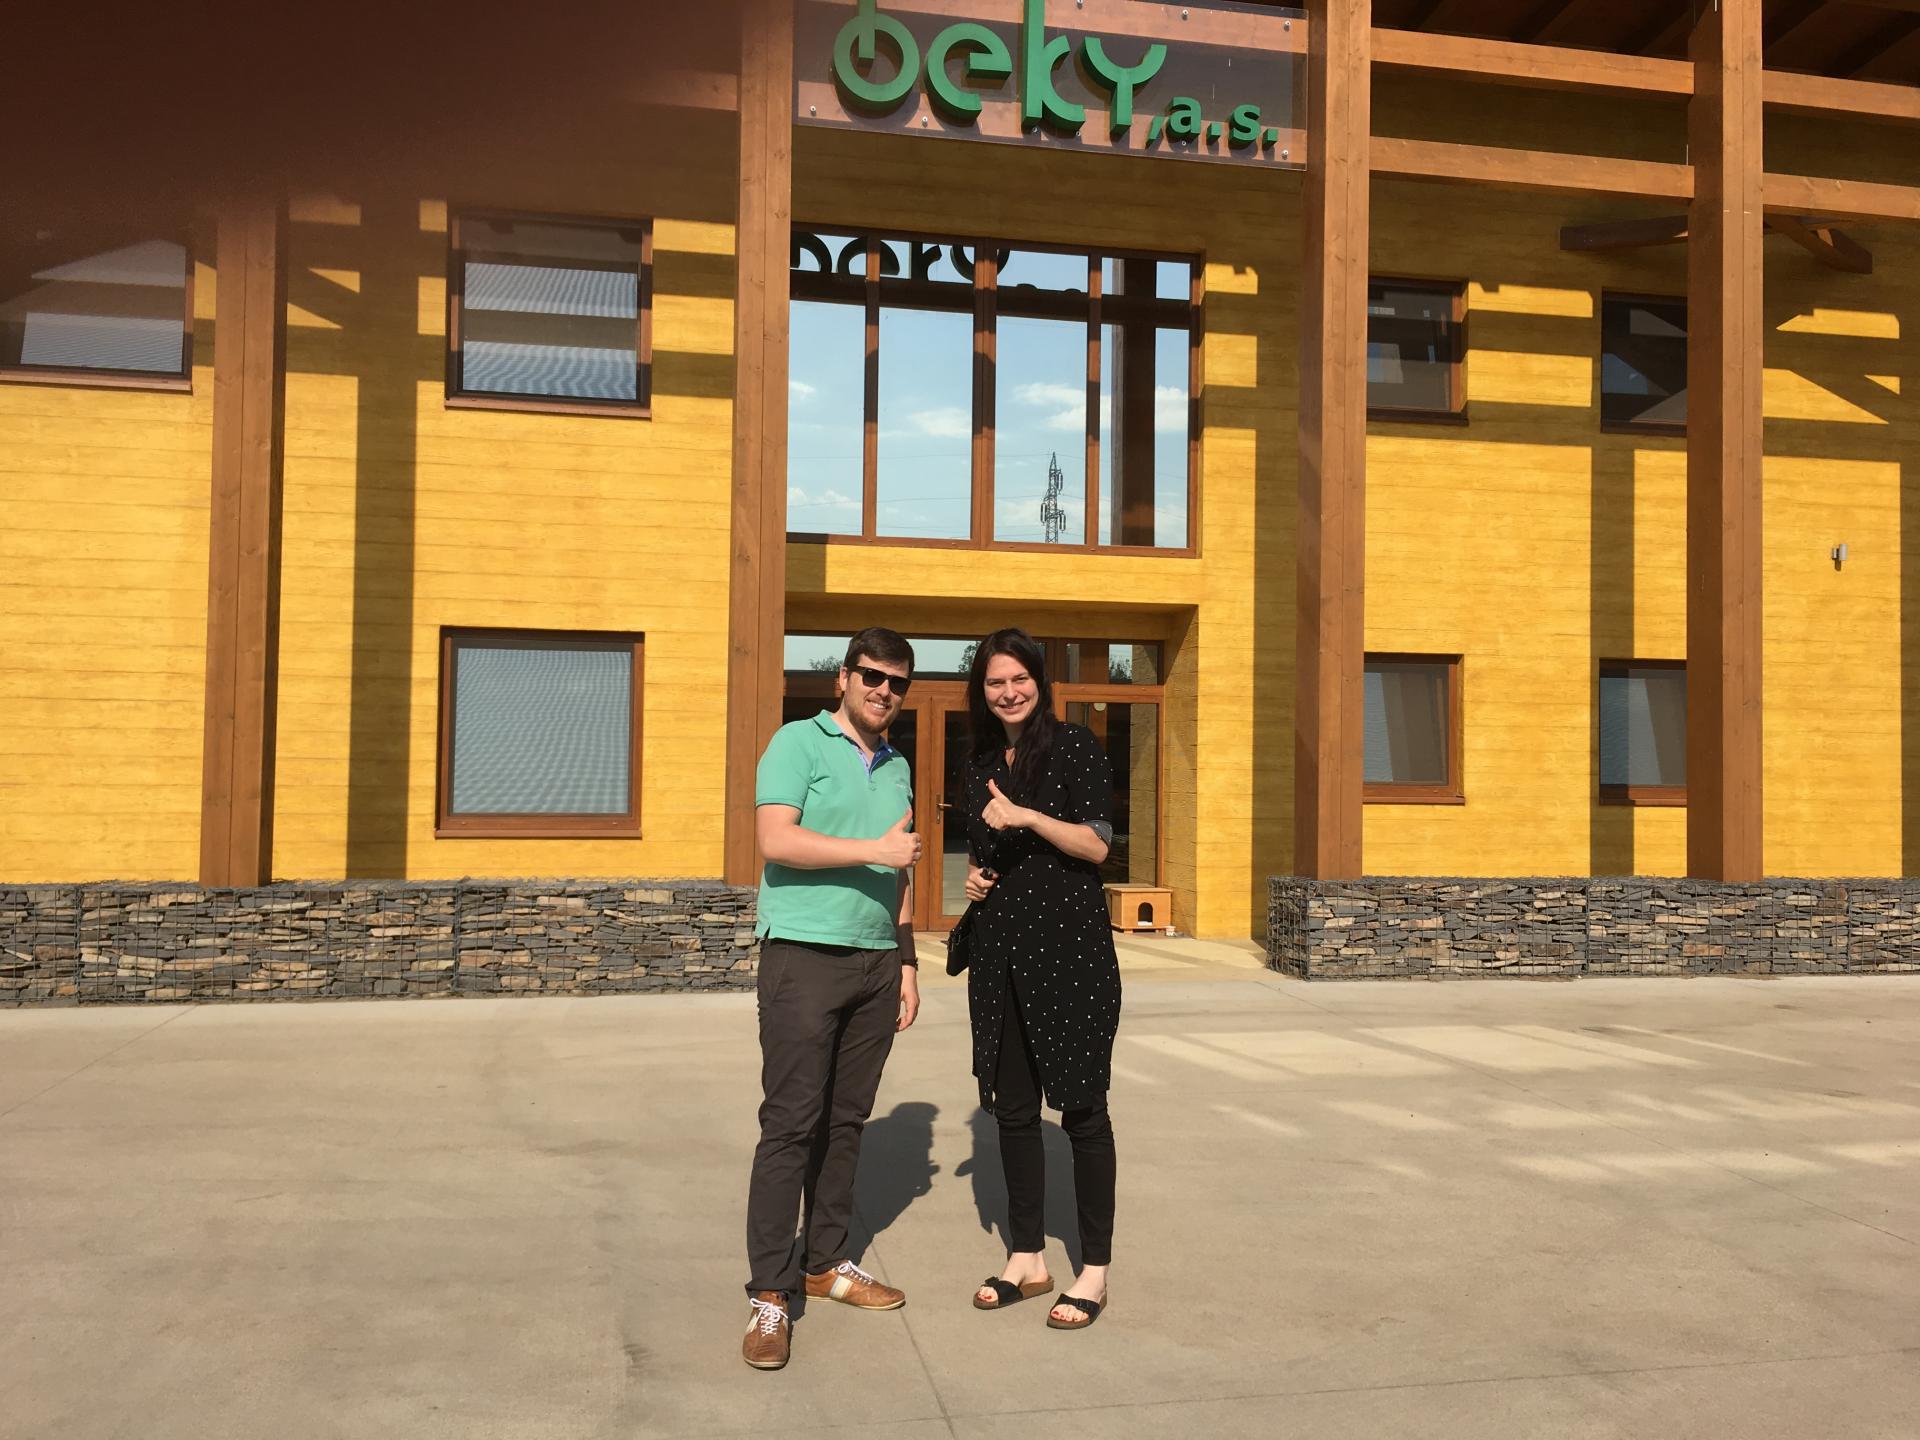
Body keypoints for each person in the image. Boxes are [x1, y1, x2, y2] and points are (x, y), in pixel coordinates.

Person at [741, 627, 923, 1371]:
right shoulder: (797, 743)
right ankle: (770, 1293)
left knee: (846, 1122)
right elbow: (775, 840)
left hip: (876, 963)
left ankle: (824, 1263)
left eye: (897, 682)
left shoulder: (898, 764)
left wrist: (907, 961)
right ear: (843, 678)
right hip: (803, 956)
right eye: (872, 676)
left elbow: (902, 870)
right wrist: (873, 851)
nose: (885, 691)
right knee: (791, 1124)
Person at [960, 627, 1121, 1331]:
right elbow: (989, 854)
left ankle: (1094, 1271)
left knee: (1083, 1111)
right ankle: (1026, 1257)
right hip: (1000, 953)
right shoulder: (978, 763)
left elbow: (1096, 845)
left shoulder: (1076, 746)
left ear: (1039, 682)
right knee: (1015, 1111)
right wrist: (975, 878)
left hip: (1071, 952)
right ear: (982, 690)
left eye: (1019, 678)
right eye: (995, 682)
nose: (1009, 692)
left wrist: (1026, 814)